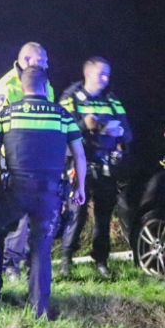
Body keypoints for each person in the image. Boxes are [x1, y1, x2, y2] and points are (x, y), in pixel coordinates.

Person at [0, 66, 87, 320]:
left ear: (22, 84)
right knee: (41, 246)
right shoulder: (62, 115)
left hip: (15, 190)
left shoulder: (7, 114)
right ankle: (39, 307)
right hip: (49, 193)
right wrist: (80, 187)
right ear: (45, 84)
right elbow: (80, 154)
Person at [58, 57, 131, 277]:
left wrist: (120, 135)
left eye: (108, 74)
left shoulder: (112, 100)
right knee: (76, 213)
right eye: (101, 74)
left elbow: (128, 131)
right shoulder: (71, 96)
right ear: (88, 73)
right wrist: (84, 125)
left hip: (105, 163)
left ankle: (101, 261)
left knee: (104, 214)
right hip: (78, 163)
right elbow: (61, 129)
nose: (106, 79)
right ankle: (66, 261)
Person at [0, 42, 55, 280]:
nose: (47, 64)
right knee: (18, 219)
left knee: (38, 216)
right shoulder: (5, 87)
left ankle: (32, 264)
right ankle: (10, 265)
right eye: (42, 60)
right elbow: (3, 127)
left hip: (42, 163)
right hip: (16, 162)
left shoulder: (46, 84)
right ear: (26, 60)